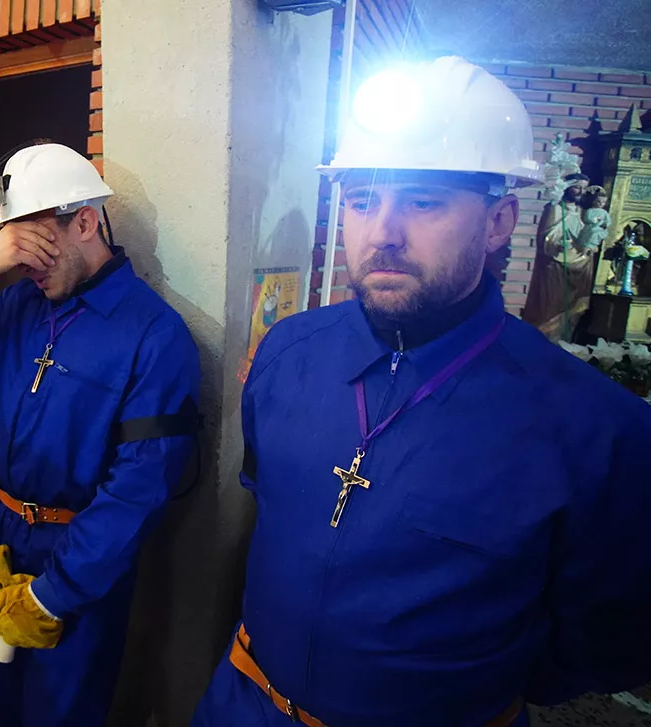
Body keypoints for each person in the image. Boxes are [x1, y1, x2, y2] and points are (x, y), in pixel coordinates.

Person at [193, 57, 651, 727]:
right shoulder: (286, 354)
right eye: (362, 200)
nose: (384, 232)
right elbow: (269, 509)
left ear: (499, 222)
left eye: (424, 201)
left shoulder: (596, 428)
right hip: (242, 705)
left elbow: (613, 636)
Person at [0, 142, 202, 727]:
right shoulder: (19, 302)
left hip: (76, 558)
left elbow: (141, 487)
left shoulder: (154, 334)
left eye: (36, 243)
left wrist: (52, 594)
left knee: (60, 713)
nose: (23, 262)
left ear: (86, 222)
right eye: (11, 246)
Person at [523, 172, 593, 340]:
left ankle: (564, 341)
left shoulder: (583, 212)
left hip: (580, 265)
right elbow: (546, 238)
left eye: (584, 188)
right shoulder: (554, 208)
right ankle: (543, 341)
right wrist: (558, 244)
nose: (581, 192)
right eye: (577, 187)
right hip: (555, 266)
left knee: (572, 309)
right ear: (567, 188)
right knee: (550, 306)